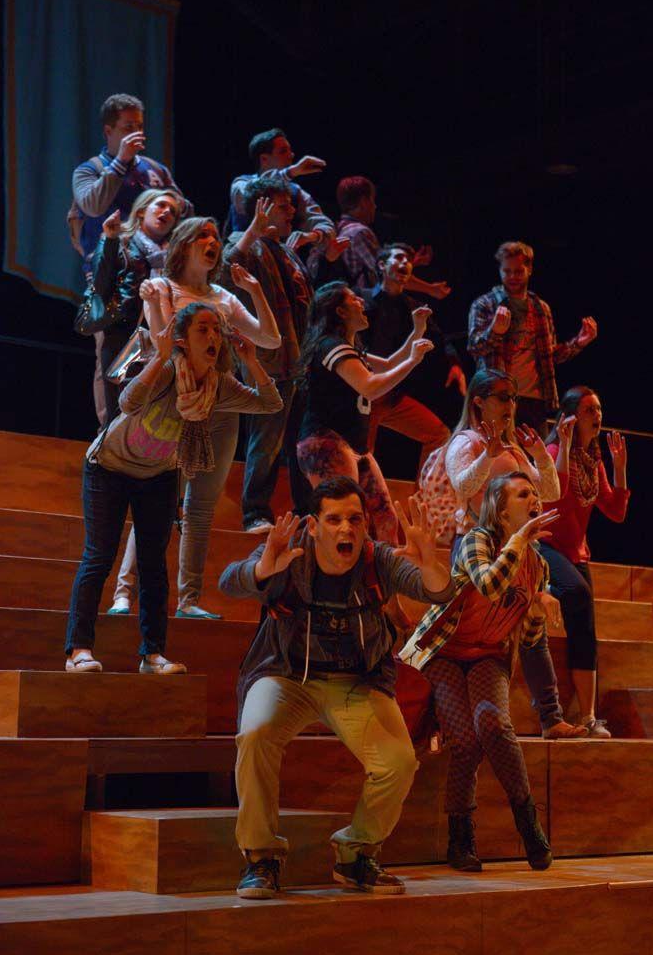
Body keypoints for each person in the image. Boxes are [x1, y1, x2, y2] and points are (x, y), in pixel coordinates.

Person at [219, 476, 453, 898]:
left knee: (398, 762)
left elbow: (437, 591)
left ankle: (356, 855)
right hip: (286, 676)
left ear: (365, 525)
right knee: (255, 734)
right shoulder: (290, 552)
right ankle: (262, 858)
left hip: (356, 684)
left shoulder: (377, 559)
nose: (345, 529)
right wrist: (262, 568)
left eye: (354, 519)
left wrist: (430, 564)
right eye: (333, 520)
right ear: (313, 525)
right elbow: (227, 581)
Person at [65, 303, 283, 672]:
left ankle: (152, 655)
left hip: (158, 475)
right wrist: (160, 357)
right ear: (183, 340)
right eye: (203, 329)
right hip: (110, 468)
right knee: (99, 557)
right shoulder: (167, 371)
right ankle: (78, 650)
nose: (212, 336)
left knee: (153, 567)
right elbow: (126, 402)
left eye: (216, 330)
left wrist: (251, 360)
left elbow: (270, 403)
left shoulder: (218, 385)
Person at [108, 215, 282, 619]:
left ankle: (189, 600)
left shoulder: (224, 297)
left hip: (219, 403)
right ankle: (123, 592)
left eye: (215, 235)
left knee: (201, 507)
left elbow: (270, 339)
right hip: (177, 406)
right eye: (202, 234)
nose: (212, 241)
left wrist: (255, 291)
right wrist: (157, 300)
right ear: (184, 244)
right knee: (159, 500)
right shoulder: (162, 288)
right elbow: (162, 341)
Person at [401, 472, 560, 872]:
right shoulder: (476, 540)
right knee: (467, 741)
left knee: (494, 725)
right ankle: (460, 835)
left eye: (535, 493)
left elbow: (526, 640)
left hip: (488, 655)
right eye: (523, 493)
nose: (534, 498)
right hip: (445, 652)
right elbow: (490, 585)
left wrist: (538, 611)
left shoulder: (539, 567)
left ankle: (528, 823)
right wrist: (518, 542)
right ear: (502, 510)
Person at [418, 367, 585, 739]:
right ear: (479, 402)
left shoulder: (512, 447)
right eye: (502, 397)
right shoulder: (465, 442)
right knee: (461, 638)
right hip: (476, 545)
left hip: (519, 545)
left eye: (513, 397)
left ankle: (550, 717)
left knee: (532, 628)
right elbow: (463, 485)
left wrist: (542, 455)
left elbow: (551, 491)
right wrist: (486, 455)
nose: (511, 405)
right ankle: (432, 722)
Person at [71, 93, 190, 427]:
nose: (135, 132)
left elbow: (184, 209)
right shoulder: (90, 170)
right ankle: (109, 431)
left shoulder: (156, 170)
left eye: (139, 126)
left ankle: (149, 431)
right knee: (112, 354)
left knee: (160, 350)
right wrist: (120, 162)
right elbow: (92, 206)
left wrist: (167, 207)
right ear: (109, 131)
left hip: (158, 274)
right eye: (127, 127)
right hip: (111, 274)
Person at [296, 282, 434, 546]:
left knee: (386, 520)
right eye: (354, 299)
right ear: (340, 311)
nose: (362, 302)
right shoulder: (330, 346)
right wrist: (413, 360)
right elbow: (370, 387)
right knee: (343, 519)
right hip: (326, 442)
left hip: (352, 445)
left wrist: (418, 331)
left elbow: (390, 364)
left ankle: (380, 585)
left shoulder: (350, 349)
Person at [223, 177, 315, 533]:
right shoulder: (244, 243)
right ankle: (255, 512)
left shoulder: (286, 250)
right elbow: (224, 275)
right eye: (283, 204)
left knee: (299, 444)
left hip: (299, 362)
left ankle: (306, 511)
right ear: (260, 208)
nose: (292, 211)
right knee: (267, 440)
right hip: (269, 364)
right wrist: (252, 231)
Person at [541, 386, 630, 738]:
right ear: (572, 418)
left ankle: (589, 717)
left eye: (599, 408)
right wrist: (562, 448)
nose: (598, 416)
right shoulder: (550, 451)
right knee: (575, 591)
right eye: (590, 410)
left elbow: (616, 512)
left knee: (586, 631)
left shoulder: (594, 462)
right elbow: (555, 497)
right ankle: (544, 585)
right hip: (547, 547)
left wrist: (620, 468)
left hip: (576, 551)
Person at [467, 240, 598, 435]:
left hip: (533, 398)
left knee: (536, 461)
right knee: (496, 459)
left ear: (529, 270)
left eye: (518, 271)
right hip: (498, 396)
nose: (512, 276)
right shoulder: (485, 304)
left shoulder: (540, 308)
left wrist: (578, 343)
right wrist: (495, 331)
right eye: (507, 271)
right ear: (500, 271)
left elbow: (550, 357)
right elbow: (474, 348)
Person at [363, 242, 464, 475]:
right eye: (398, 258)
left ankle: (422, 502)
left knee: (438, 434)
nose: (405, 263)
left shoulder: (413, 308)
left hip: (391, 396)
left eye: (408, 260)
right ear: (381, 265)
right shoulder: (362, 298)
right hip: (363, 394)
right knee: (364, 455)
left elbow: (442, 340)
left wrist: (455, 365)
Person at [89, 188, 183, 424]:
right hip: (121, 332)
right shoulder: (120, 242)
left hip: (157, 336)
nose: (166, 212)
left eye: (172, 211)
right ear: (142, 211)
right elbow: (101, 286)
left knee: (148, 409)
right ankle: (103, 456)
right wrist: (109, 239)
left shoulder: (172, 255)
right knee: (116, 410)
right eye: (160, 205)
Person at [317, 176, 450, 299]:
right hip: (365, 306)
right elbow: (388, 273)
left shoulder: (341, 229)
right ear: (364, 201)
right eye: (373, 200)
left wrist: (412, 263)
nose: (375, 206)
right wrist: (431, 289)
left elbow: (379, 267)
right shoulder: (359, 232)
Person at [228, 126, 334, 246]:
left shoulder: (296, 191)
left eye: (290, 150)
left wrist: (313, 235)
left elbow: (324, 224)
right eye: (283, 151)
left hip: (278, 259)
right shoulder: (241, 183)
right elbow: (253, 193)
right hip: (245, 257)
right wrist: (290, 173)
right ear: (264, 159)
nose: (292, 155)